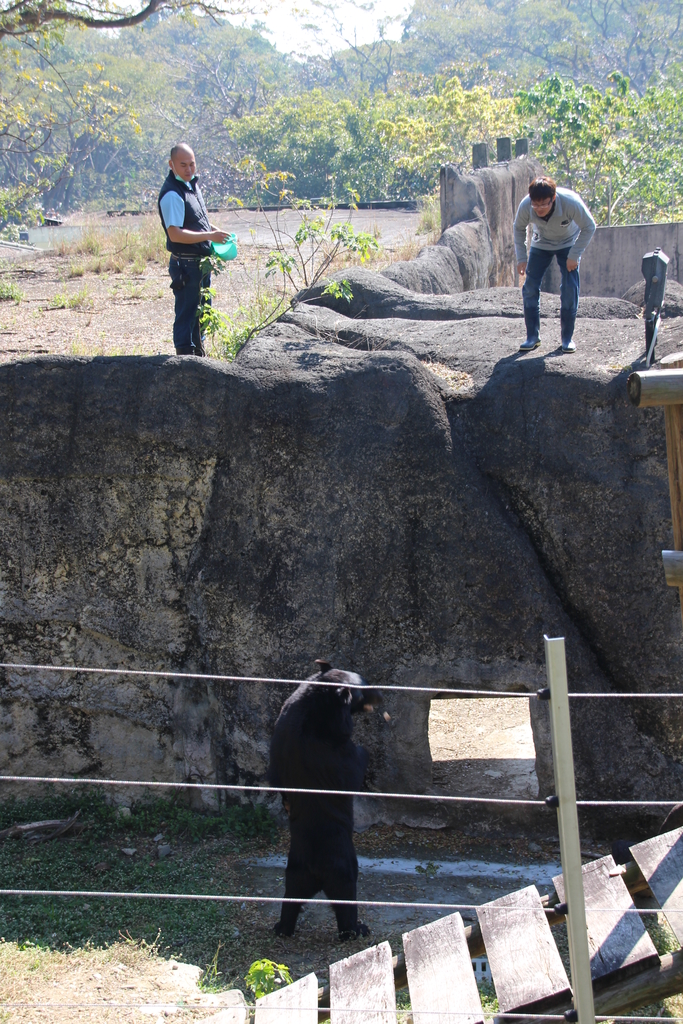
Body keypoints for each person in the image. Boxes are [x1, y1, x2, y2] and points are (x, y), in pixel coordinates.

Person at [157, 143, 229, 356]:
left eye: (192, 164)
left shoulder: (192, 186)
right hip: (186, 264)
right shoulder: (172, 194)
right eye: (183, 165)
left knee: (203, 311)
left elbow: (200, 222)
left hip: (200, 262)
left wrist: (218, 233)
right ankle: (185, 362)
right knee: (187, 313)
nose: (189, 169)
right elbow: (175, 234)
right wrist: (209, 236)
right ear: (171, 165)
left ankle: (199, 356)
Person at [514, 176, 596, 354]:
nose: (539, 209)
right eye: (536, 205)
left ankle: (567, 339)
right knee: (529, 287)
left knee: (569, 287)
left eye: (544, 204)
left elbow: (589, 226)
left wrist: (574, 255)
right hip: (541, 243)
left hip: (568, 243)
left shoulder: (570, 202)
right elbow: (518, 228)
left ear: (554, 198)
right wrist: (521, 257)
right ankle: (532, 337)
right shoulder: (526, 205)